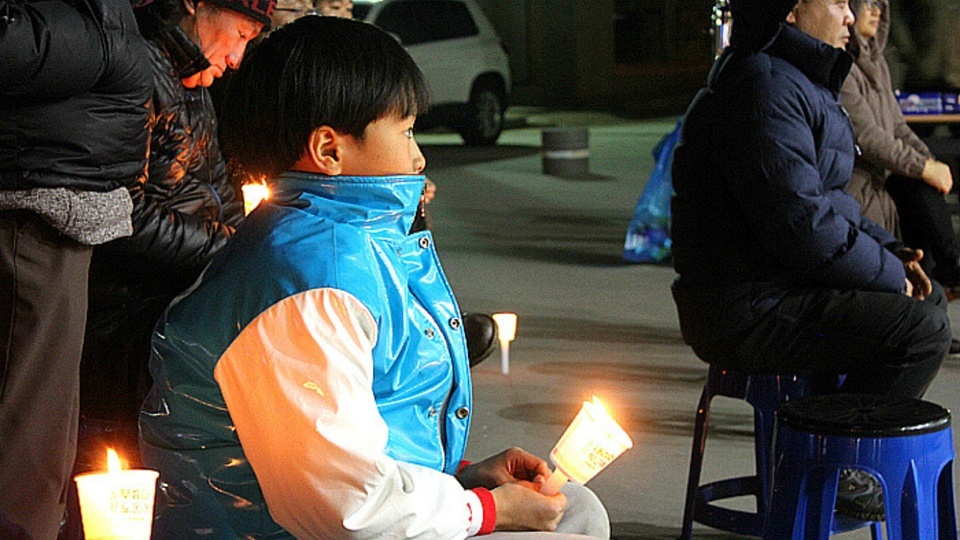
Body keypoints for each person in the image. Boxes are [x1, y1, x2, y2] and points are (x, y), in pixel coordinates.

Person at [139, 16, 610, 538]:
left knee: (575, 506)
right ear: (329, 150)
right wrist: (485, 509)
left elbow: (352, 446)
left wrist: (464, 477)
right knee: (571, 521)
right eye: (406, 130)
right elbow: (343, 504)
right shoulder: (311, 282)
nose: (418, 155)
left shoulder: (329, 246)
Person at [670, 0, 951, 521]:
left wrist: (895, 257)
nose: (850, 16)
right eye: (839, 2)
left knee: (927, 300)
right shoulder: (763, 88)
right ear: (793, 10)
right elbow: (801, 225)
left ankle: (832, 457)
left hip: (774, 289)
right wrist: (891, 277)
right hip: (745, 308)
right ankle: (840, 469)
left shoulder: (793, 79)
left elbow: (833, 205)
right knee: (920, 331)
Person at [76, 0, 275, 465]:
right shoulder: (140, 70)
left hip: (182, 285)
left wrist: (252, 243)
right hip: (131, 307)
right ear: (197, 4)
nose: (237, 59)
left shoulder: (191, 78)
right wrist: (229, 246)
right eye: (240, 35)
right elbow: (125, 214)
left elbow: (218, 189)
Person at [0, 0, 152, 536]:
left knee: (42, 441)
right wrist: (106, 46)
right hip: (32, 208)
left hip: (60, 210)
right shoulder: (82, 29)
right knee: (27, 449)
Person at [841, 0, 960, 294]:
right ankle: (950, 269)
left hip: (886, 179)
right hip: (859, 185)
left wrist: (929, 163)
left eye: (880, 4)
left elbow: (897, 127)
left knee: (923, 184)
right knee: (917, 184)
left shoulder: (877, 61)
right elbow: (866, 137)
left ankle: (946, 271)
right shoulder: (841, 64)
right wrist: (923, 167)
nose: (876, 11)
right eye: (867, 3)